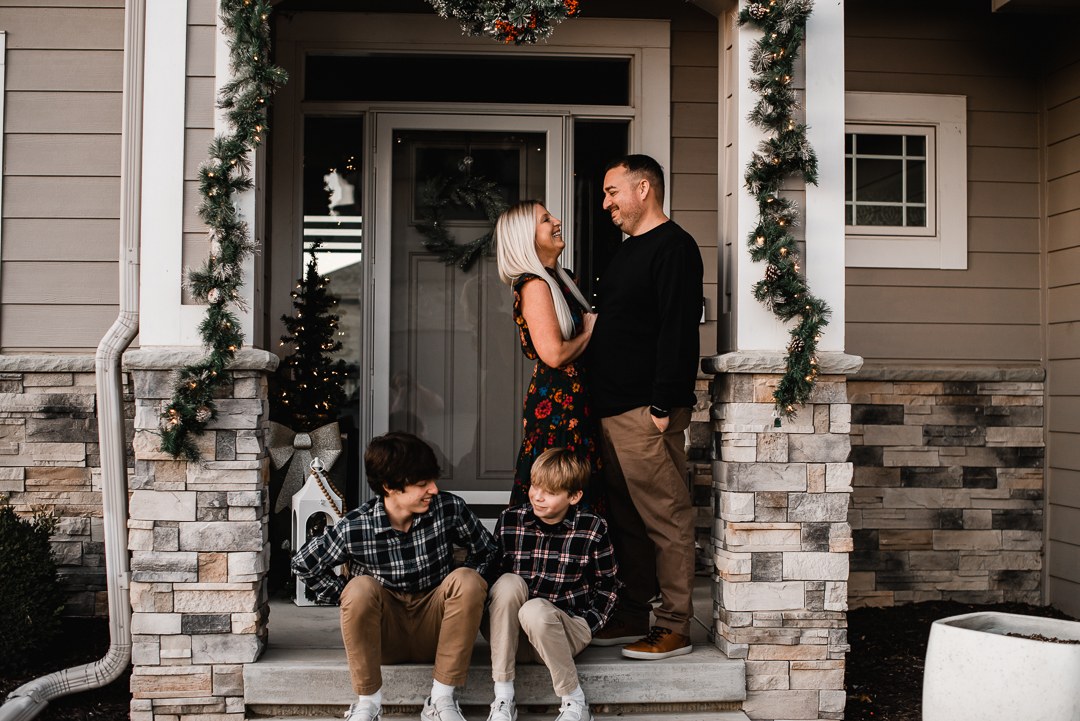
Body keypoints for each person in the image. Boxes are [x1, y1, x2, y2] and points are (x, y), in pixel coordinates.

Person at [585, 154, 704, 660]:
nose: (607, 202)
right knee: (628, 519)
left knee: (665, 516)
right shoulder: (627, 251)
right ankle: (634, 612)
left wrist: (662, 402)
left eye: (614, 191)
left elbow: (678, 327)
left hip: (644, 410)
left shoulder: (674, 247)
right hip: (611, 409)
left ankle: (674, 624)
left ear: (644, 188)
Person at [291, 431, 498, 721]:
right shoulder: (355, 527)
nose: (434, 490)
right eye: (422, 484)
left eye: (433, 481)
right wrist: (345, 597)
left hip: (437, 631)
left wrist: (461, 597)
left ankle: (440, 701)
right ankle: (368, 704)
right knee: (358, 588)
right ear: (389, 487)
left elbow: (488, 551)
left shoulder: (449, 510)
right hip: (384, 636)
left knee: (468, 580)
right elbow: (303, 563)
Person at [485, 448, 621, 721]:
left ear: (574, 497)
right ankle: (503, 697)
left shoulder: (592, 528)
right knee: (508, 583)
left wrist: (589, 626)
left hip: (562, 634)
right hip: (512, 640)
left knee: (535, 610)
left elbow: (609, 585)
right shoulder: (510, 520)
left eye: (550, 491)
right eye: (535, 486)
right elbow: (490, 576)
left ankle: (575, 702)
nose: (537, 495)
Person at [495, 201, 603, 511]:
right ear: (526, 237)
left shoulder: (559, 279)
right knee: (559, 489)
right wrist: (589, 333)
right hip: (558, 409)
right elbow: (554, 355)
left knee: (574, 489)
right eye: (545, 219)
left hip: (576, 402)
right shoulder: (535, 286)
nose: (557, 221)